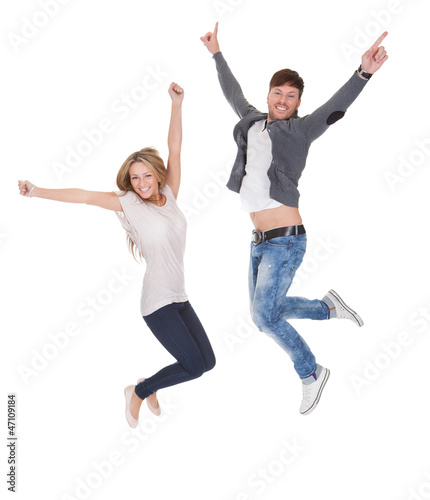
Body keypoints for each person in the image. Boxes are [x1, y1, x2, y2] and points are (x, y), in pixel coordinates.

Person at [200, 23, 388, 415]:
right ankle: (328, 308)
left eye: (291, 96)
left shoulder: (300, 131)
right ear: (268, 94)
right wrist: (216, 53)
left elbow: (336, 107)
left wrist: (363, 73)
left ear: (298, 102)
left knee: (264, 316)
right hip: (259, 241)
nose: (283, 100)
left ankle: (311, 373)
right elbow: (232, 90)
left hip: (286, 240)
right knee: (265, 314)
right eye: (278, 92)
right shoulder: (251, 121)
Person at [18, 82, 216, 428]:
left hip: (180, 297)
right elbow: (82, 196)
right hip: (157, 302)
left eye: (145, 175)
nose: (140, 182)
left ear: (157, 174)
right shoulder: (127, 205)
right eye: (134, 177)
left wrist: (176, 105)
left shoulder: (169, 195)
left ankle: (149, 389)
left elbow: (176, 150)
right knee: (194, 366)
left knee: (208, 362)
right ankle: (138, 392)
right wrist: (36, 191)